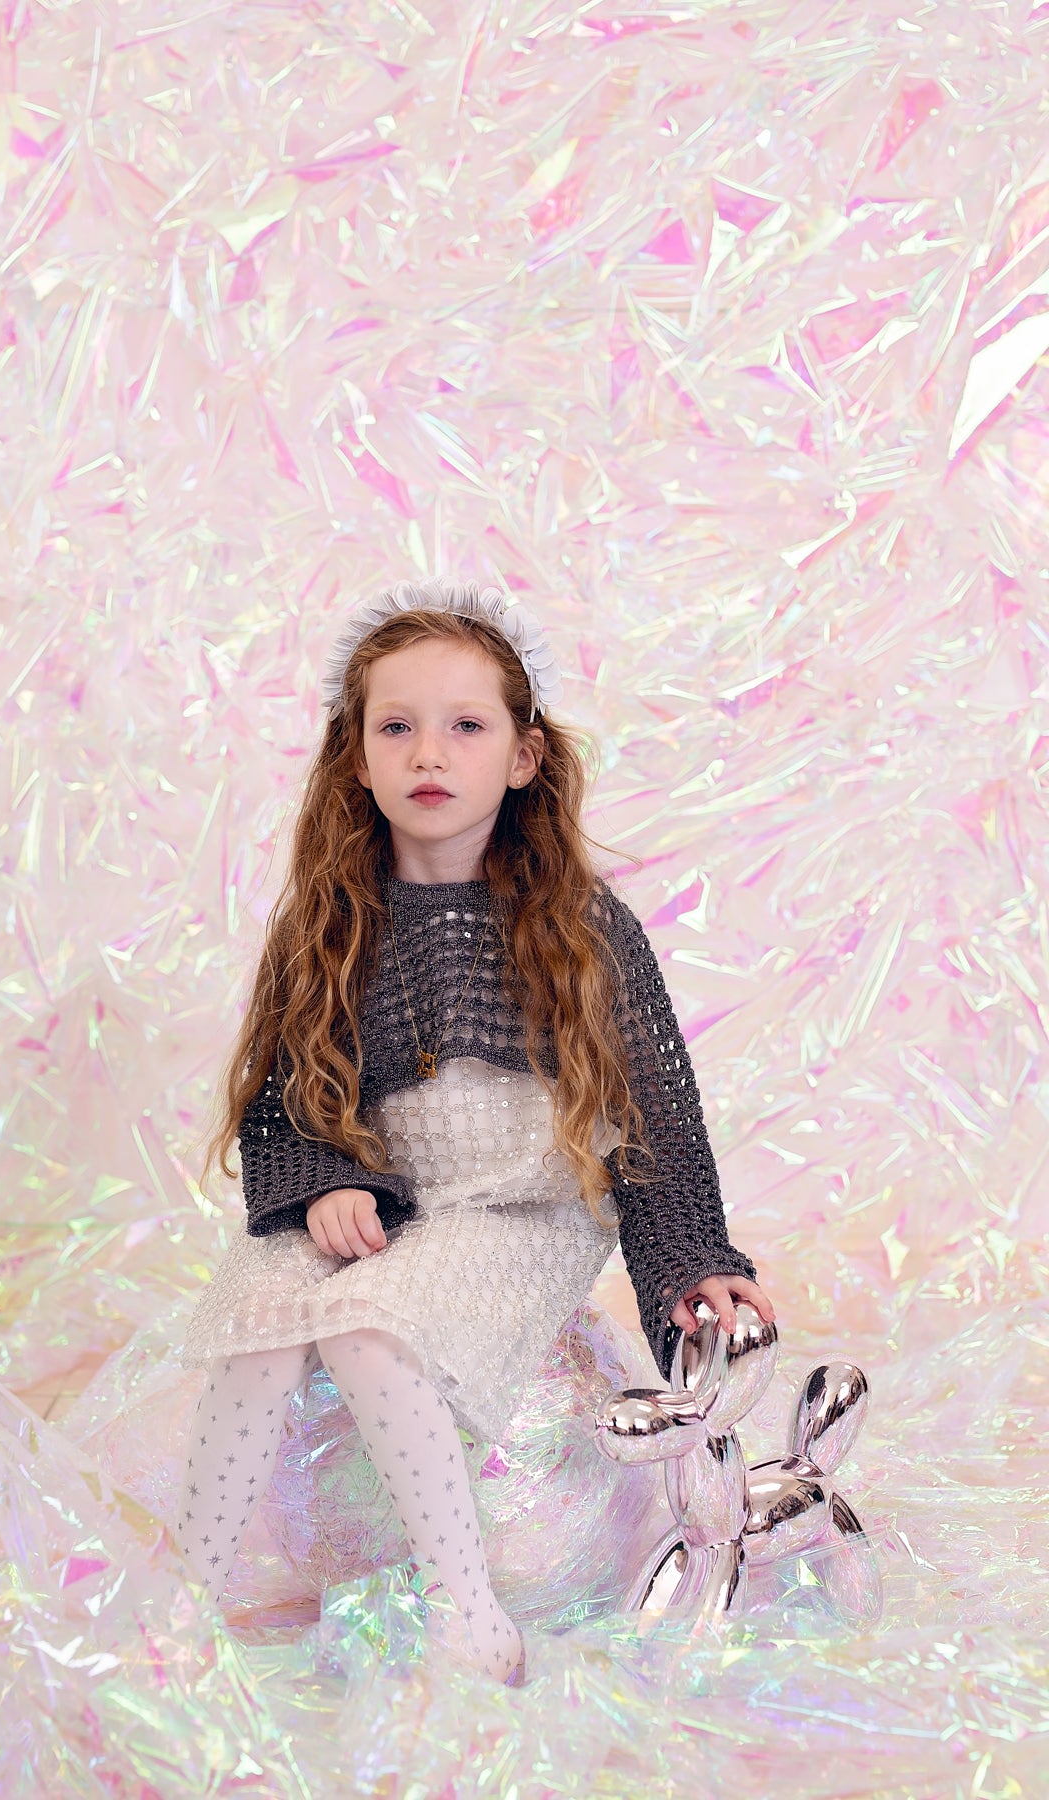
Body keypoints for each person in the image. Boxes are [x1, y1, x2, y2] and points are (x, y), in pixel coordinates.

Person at [174, 576, 774, 1686]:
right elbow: (281, 1096)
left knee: (368, 1329)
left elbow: (656, 1120)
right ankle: (184, 1602)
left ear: (523, 755)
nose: (428, 754)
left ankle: (469, 1610)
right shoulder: (327, 924)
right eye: (396, 727)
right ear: (356, 758)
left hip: (520, 1207)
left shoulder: (583, 929)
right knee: (259, 1316)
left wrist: (691, 1255)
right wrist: (321, 1183)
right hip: (392, 1201)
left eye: (465, 726)